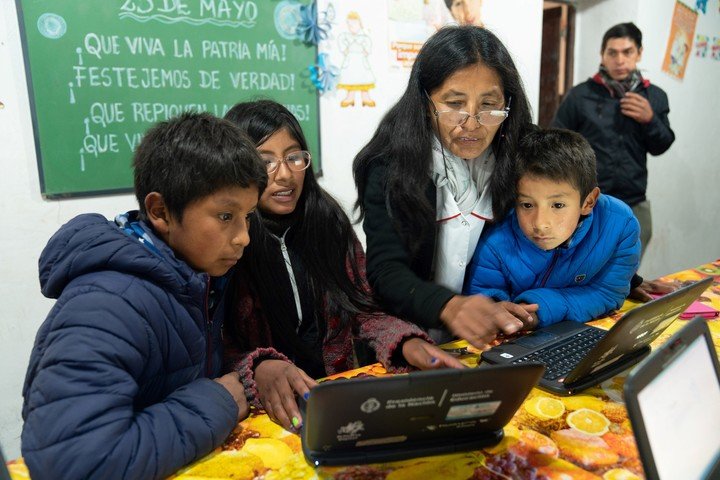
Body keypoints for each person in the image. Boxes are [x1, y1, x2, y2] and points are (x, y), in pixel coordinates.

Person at [21, 113, 266, 480]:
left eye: (248, 216)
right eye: (226, 215)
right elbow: (74, 463)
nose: (243, 236)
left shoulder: (194, 275)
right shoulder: (109, 304)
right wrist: (219, 401)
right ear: (160, 211)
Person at [222, 100, 463, 432]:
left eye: (294, 157)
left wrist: (404, 342)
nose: (285, 173)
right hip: (267, 415)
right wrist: (258, 366)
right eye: (265, 161)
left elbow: (363, 309)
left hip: (336, 402)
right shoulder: (228, 241)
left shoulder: (329, 224)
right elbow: (214, 346)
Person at [353, 25, 537, 349]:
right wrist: (449, 306)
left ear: (507, 103)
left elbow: (574, 202)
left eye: (488, 105)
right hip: (409, 337)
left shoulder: (518, 154)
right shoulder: (390, 165)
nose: (472, 123)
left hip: (487, 340)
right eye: (454, 103)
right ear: (426, 102)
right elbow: (385, 271)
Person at [464, 128, 641, 328]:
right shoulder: (496, 244)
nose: (540, 224)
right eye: (527, 205)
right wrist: (495, 310)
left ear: (588, 201)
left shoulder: (618, 226)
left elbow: (608, 293)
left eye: (557, 205)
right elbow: (482, 303)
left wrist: (539, 309)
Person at [552, 22, 675, 262]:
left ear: (639, 53)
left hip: (634, 202)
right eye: (612, 52)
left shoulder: (654, 96)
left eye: (627, 52)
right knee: (583, 269)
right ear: (602, 55)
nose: (620, 60)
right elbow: (556, 143)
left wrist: (650, 120)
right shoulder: (581, 95)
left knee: (627, 274)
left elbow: (662, 145)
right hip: (587, 203)